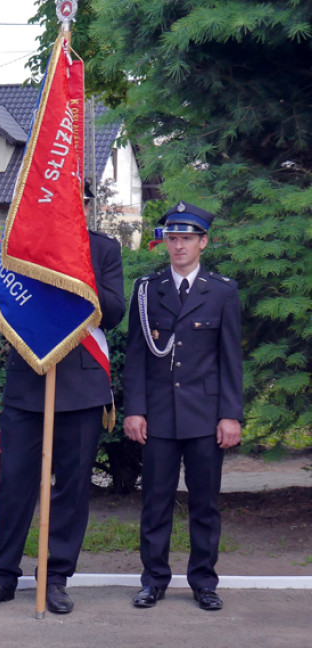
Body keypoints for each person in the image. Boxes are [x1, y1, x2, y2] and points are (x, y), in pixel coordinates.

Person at [0, 213, 125, 614]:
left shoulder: (103, 249)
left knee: (71, 489)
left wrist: (75, 268)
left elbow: (114, 312)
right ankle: (1, 576)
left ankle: (55, 578)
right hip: (29, 385)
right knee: (16, 484)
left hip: (83, 388)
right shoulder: (22, 244)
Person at [123, 201, 242, 611]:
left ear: (203, 243)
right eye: (172, 238)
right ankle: (153, 579)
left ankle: (204, 582)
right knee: (155, 501)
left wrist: (230, 415)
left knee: (205, 504)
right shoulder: (146, 290)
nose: (178, 246)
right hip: (157, 416)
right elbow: (136, 355)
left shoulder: (222, 291)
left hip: (206, 417)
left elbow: (230, 360)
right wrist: (134, 409)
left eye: (186, 239)